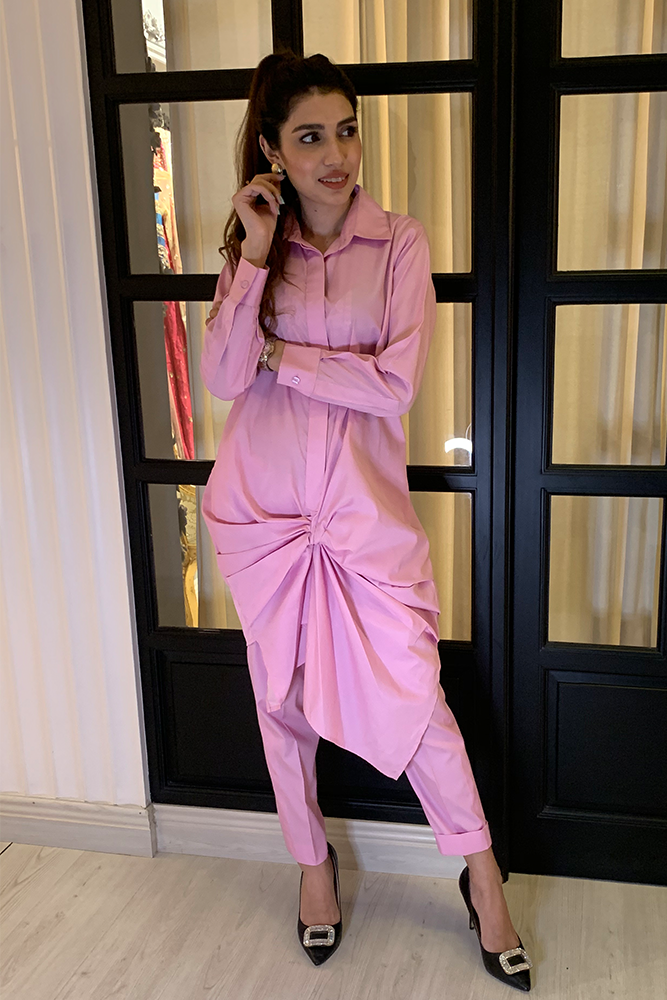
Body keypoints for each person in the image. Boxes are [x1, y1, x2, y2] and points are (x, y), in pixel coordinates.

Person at [200, 50, 533, 989]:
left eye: (346, 131)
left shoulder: (399, 244)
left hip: (360, 524)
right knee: (280, 703)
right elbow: (222, 376)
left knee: (418, 700)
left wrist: (283, 356)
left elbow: (394, 386)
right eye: (309, 137)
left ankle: (481, 874)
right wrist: (254, 255)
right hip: (266, 517)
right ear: (272, 150)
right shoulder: (251, 251)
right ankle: (312, 865)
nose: (336, 154)